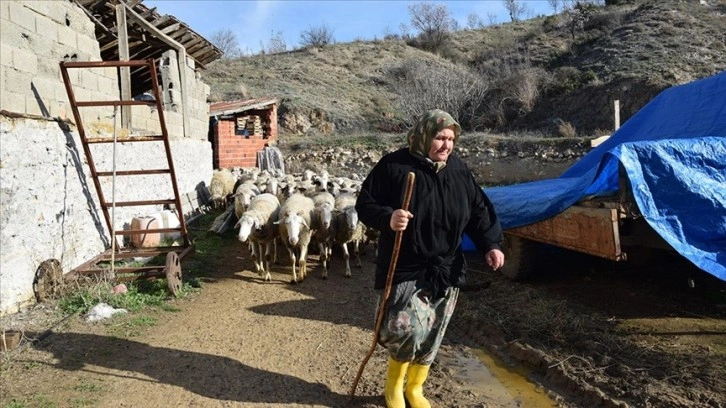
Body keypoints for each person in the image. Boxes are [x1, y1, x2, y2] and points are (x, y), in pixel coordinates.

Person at [355, 109, 505, 408]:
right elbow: (365, 204)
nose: (446, 145)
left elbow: (479, 210)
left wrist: (491, 244)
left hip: (445, 266)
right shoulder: (395, 166)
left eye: (451, 138)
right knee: (403, 328)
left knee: (434, 330)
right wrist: (389, 217)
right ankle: (395, 388)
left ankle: (415, 388)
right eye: (439, 137)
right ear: (424, 136)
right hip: (405, 264)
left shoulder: (458, 170)